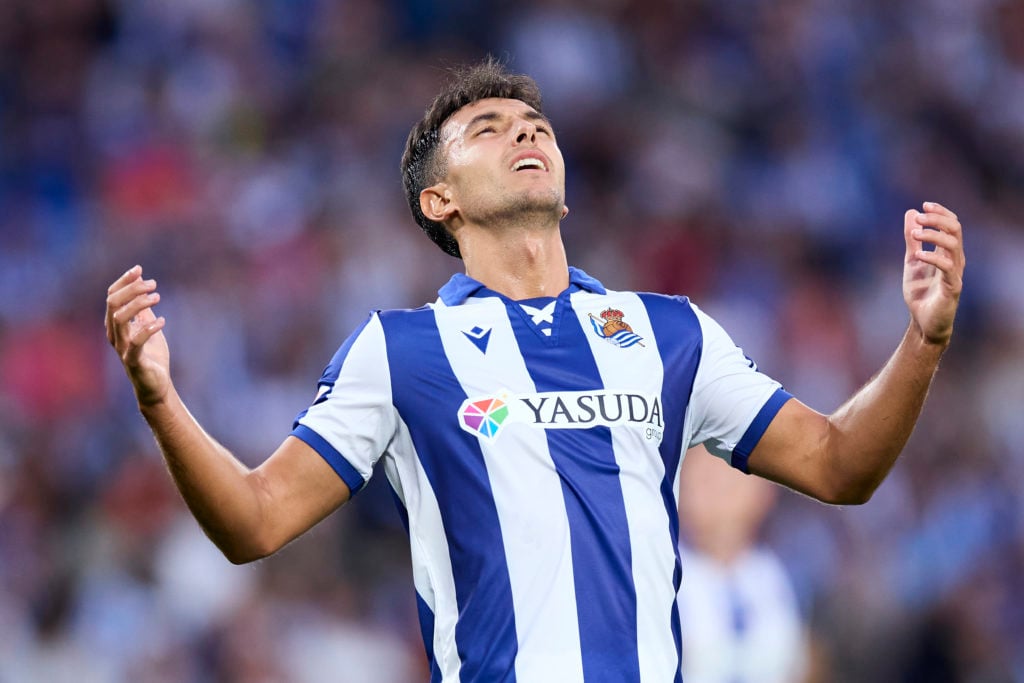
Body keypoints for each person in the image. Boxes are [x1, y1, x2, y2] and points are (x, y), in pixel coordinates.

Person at [105, 58, 965, 682]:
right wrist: (160, 399)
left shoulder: (667, 331)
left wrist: (920, 343)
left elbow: (839, 464)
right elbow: (254, 521)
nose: (525, 133)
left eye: (536, 128)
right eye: (489, 129)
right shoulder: (402, 351)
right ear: (439, 201)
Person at [677, 448, 808, 683]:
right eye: (706, 478)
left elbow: (799, 666)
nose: (719, 491)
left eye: (732, 476)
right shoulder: (658, 578)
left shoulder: (779, 573)